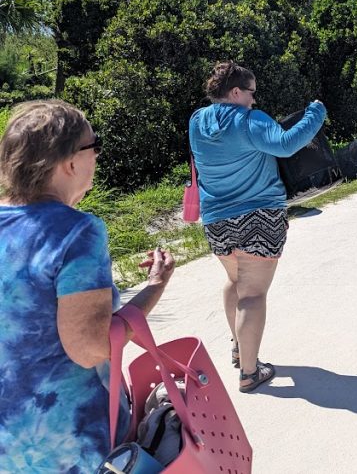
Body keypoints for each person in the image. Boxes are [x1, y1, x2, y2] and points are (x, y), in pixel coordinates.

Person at [0, 100, 175, 471]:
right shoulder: (75, 232)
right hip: (70, 443)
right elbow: (90, 348)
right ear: (69, 162)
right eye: (94, 146)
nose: (97, 155)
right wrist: (154, 286)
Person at [189, 61, 326, 392]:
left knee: (234, 282)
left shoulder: (196, 121)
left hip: (216, 219)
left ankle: (239, 348)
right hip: (259, 216)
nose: (254, 99)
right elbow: (287, 144)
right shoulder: (249, 120)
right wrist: (316, 114)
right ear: (236, 92)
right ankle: (250, 372)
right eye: (251, 92)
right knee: (252, 293)